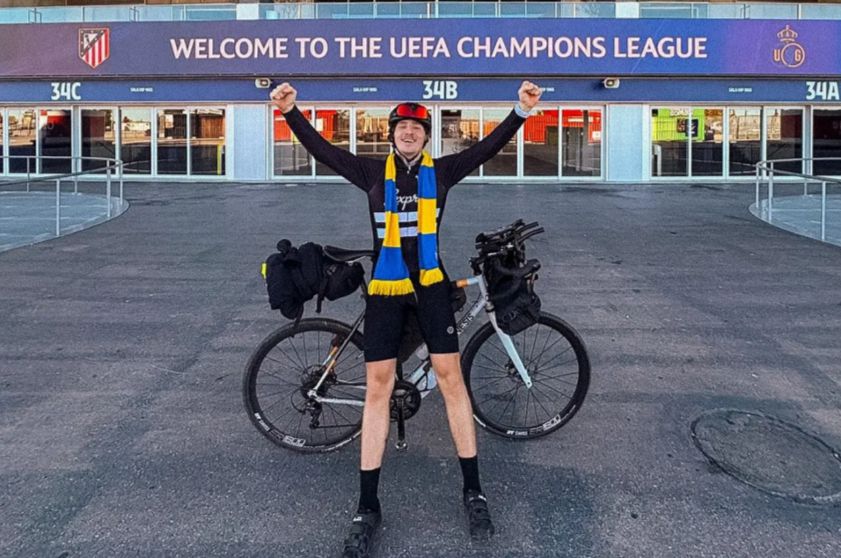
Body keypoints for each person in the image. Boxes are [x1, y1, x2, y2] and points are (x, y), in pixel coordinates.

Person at [271, 81, 541, 558]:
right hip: (386, 289)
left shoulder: (444, 171)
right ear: (392, 134)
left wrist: (520, 111)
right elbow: (323, 150)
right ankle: (366, 506)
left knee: (450, 379)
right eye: (402, 127)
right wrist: (291, 113)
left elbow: (486, 147)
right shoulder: (372, 172)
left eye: (417, 128)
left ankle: (473, 491)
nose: (409, 133)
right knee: (378, 385)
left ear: (427, 136)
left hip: (431, 286)